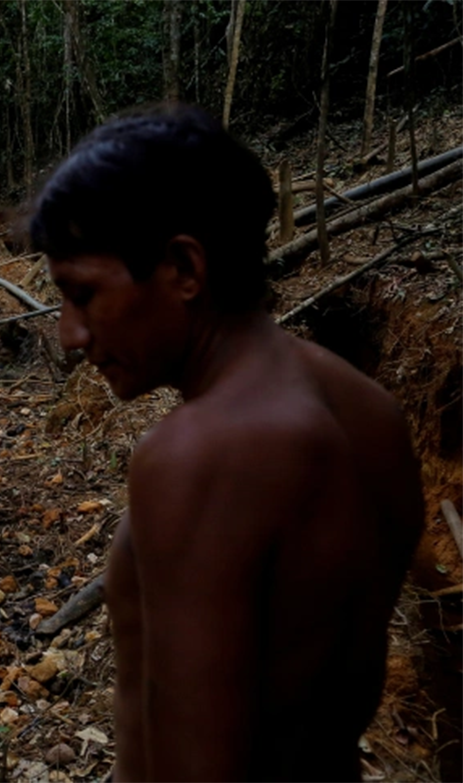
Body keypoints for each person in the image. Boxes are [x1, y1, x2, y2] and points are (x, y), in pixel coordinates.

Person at [28, 103, 424, 782]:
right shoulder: (368, 411)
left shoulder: (200, 454)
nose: (69, 334)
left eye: (83, 294)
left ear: (184, 267)